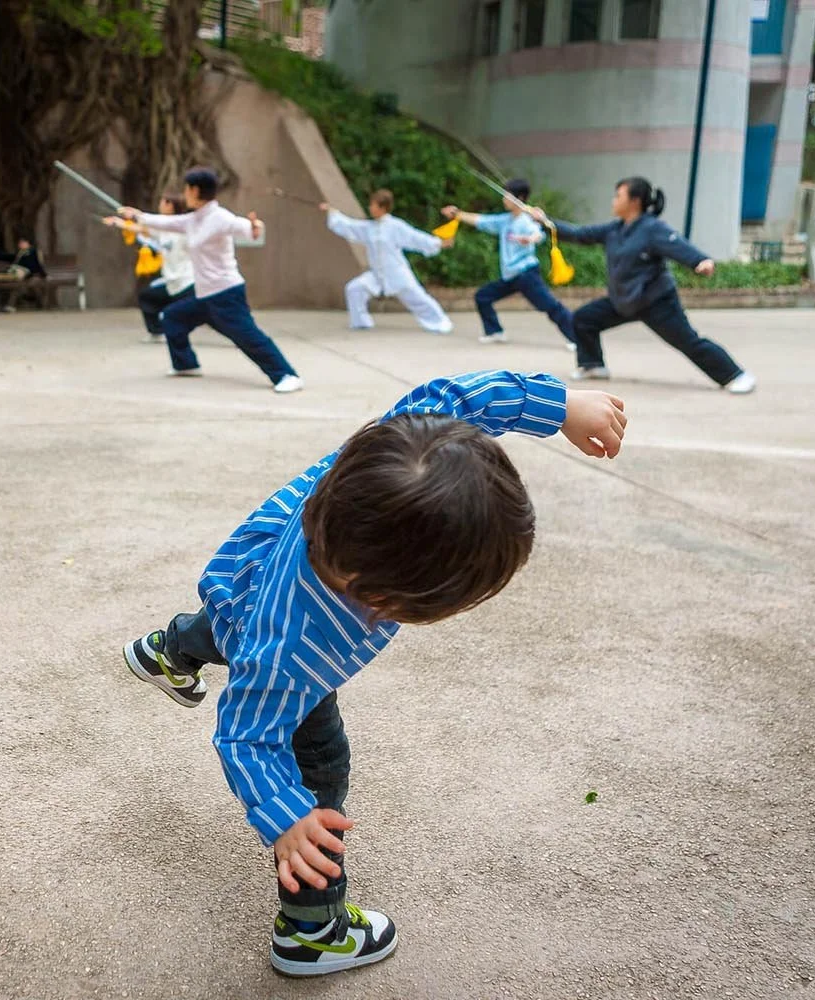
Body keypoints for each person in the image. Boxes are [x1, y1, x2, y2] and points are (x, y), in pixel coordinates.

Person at [122, 369, 628, 976]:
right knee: (321, 765)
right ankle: (311, 929)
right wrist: (288, 817)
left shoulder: (399, 451)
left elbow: (465, 398)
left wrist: (561, 406)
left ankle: (167, 651)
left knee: (226, 627)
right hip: (272, 634)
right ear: (381, 602)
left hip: (247, 570)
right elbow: (248, 734)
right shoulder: (297, 647)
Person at [530, 177, 757, 394]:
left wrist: (699, 261)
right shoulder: (614, 230)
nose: (614, 200)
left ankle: (735, 376)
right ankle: (593, 365)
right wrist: (544, 222)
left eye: (618, 196)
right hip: (623, 300)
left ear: (634, 201)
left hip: (655, 302)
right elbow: (579, 234)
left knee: (689, 342)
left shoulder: (652, 228)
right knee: (584, 319)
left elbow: (677, 245)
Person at [115, 167, 303, 393]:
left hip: (226, 293)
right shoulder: (193, 220)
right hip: (203, 295)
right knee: (173, 318)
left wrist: (255, 227)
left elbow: (246, 229)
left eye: (186, 189)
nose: (184, 194)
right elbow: (164, 223)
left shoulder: (220, 218)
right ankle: (186, 364)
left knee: (248, 337)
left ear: (194, 190)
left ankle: (286, 374)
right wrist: (137, 216)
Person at [441, 179, 575, 348]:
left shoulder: (527, 220)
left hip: (527, 275)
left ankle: (577, 339)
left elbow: (538, 234)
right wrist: (458, 214)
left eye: (507, 196)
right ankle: (495, 331)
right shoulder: (505, 220)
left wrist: (529, 239)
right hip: (511, 276)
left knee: (550, 306)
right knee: (483, 296)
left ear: (519, 198)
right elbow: (481, 220)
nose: (503, 199)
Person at [321, 189, 452, 334]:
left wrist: (437, 243)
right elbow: (350, 226)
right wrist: (333, 213)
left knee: (418, 299)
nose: (370, 208)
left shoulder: (395, 226)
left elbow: (415, 237)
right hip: (377, 274)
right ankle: (361, 322)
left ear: (382, 207)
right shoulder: (369, 227)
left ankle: (440, 322)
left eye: (373, 205)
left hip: (397, 273)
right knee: (354, 288)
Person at [133, 194, 195, 343]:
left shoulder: (183, 228)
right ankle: (157, 333)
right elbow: (143, 228)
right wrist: (118, 223)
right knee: (148, 297)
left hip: (188, 282)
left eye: (162, 202)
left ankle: (239, 335)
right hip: (171, 282)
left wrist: (136, 214)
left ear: (170, 206)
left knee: (210, 314)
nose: (159, 205)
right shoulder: (162, 229)